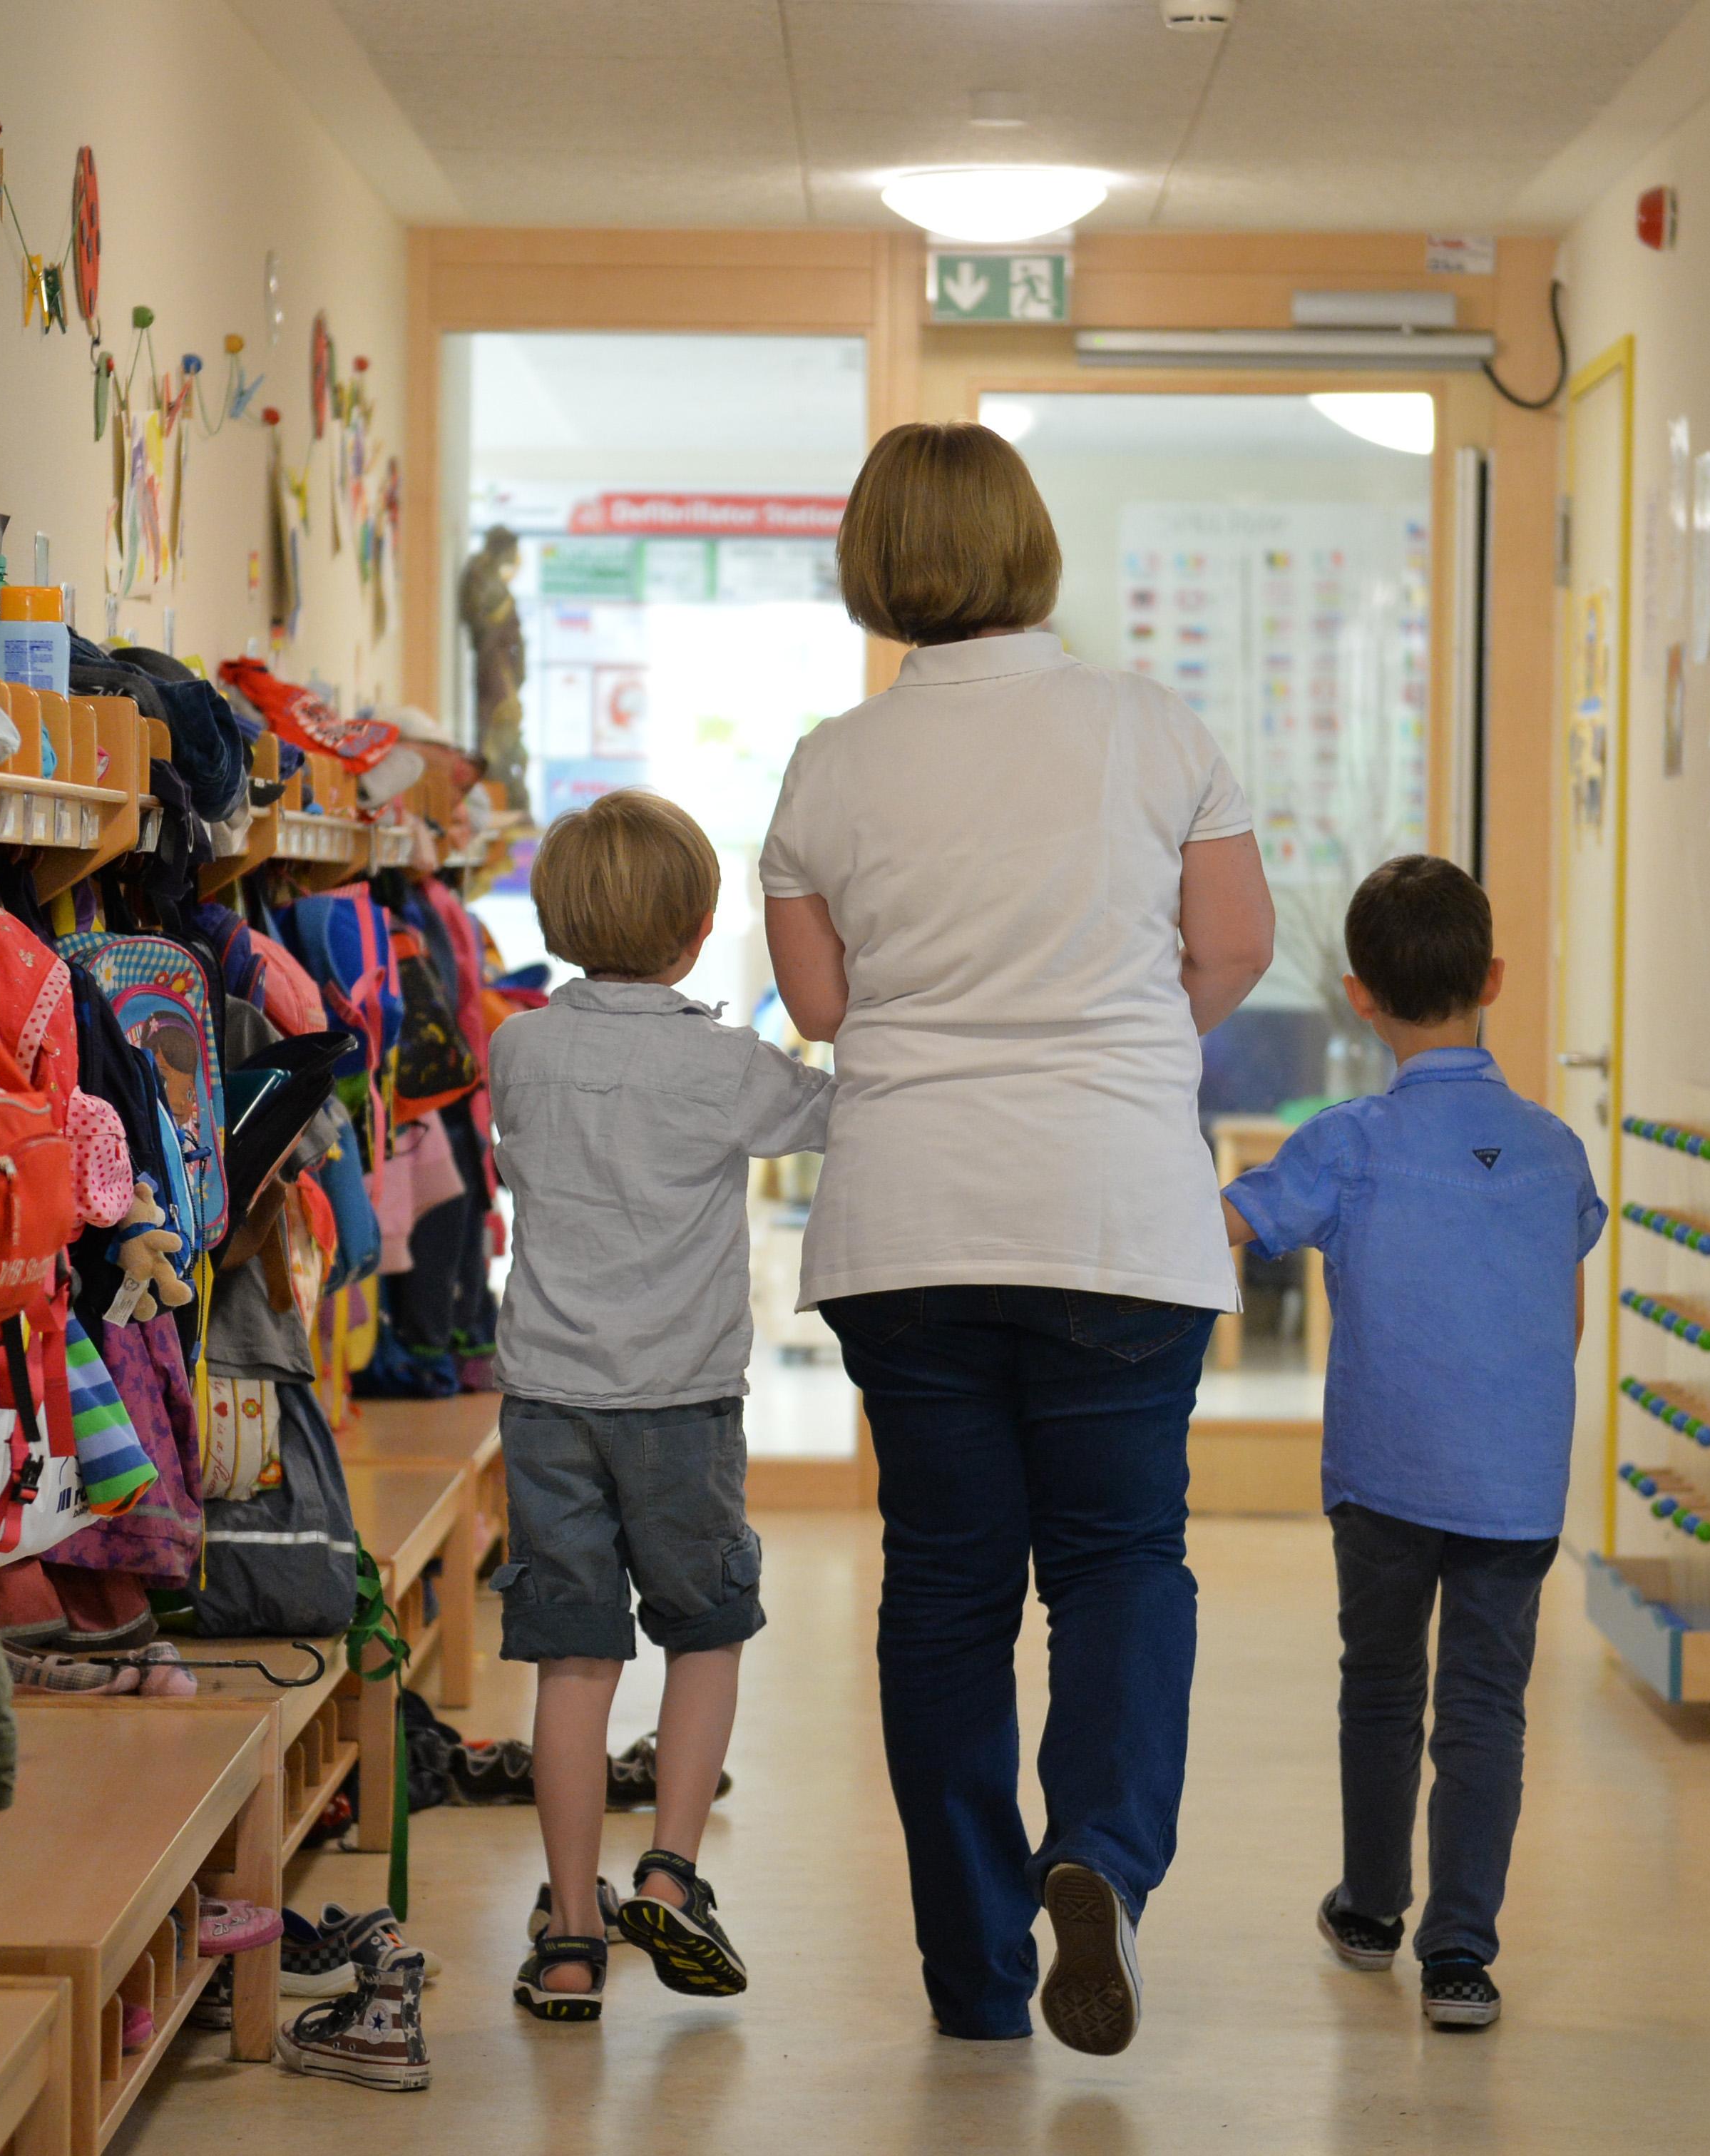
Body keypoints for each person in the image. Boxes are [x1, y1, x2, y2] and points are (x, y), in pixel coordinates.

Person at [761, 421, 1276, 2054]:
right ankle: (1101, 1861)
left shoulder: (830, 764)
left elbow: (826, 1007)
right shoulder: (1151, 729)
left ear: (875, 561)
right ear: (1029, 545)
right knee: (1122, 1564)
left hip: (909, 1225)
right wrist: (1117, 1040)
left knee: (946, 1592)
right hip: (1115, 1214)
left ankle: (977, 1975)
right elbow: (1232, 948)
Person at [1219, 854, 1602, 2033]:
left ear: (1358, 996)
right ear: (1492, 977)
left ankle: (1374, 1907)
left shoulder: (1348, 1144)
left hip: (1385, 1476)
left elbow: (1224, 1228)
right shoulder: (1553, 1151)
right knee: (1489, 1703)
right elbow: (1567, 1311)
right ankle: (1460, 1957)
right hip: (1517, 1481)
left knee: (1382, 1685)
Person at [485, 787, 834, 2023]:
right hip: (682, 1405)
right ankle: (673, 1877)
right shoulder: (724, 1064)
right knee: (705, 1631)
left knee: (571, 1665)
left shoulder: (516, 1050)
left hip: (546, 1405)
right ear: (699, 929)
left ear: (557, 917)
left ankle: (571, 1937)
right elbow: (837, 1117)